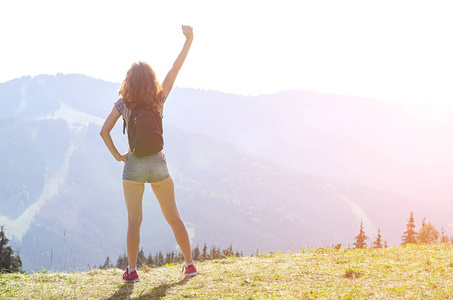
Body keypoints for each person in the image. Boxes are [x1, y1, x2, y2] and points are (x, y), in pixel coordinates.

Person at [100, 25, 196, 282]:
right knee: (174, 217)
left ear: (129, 81)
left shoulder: (124, 103)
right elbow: (175, 69)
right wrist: (189, 41)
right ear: (151, 80)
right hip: (158, 162)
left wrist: (119, 156)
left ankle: (131, 271)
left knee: (134, 221)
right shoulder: (159, 98)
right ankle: (189, 265)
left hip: (133, 165)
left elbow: (104, 131)